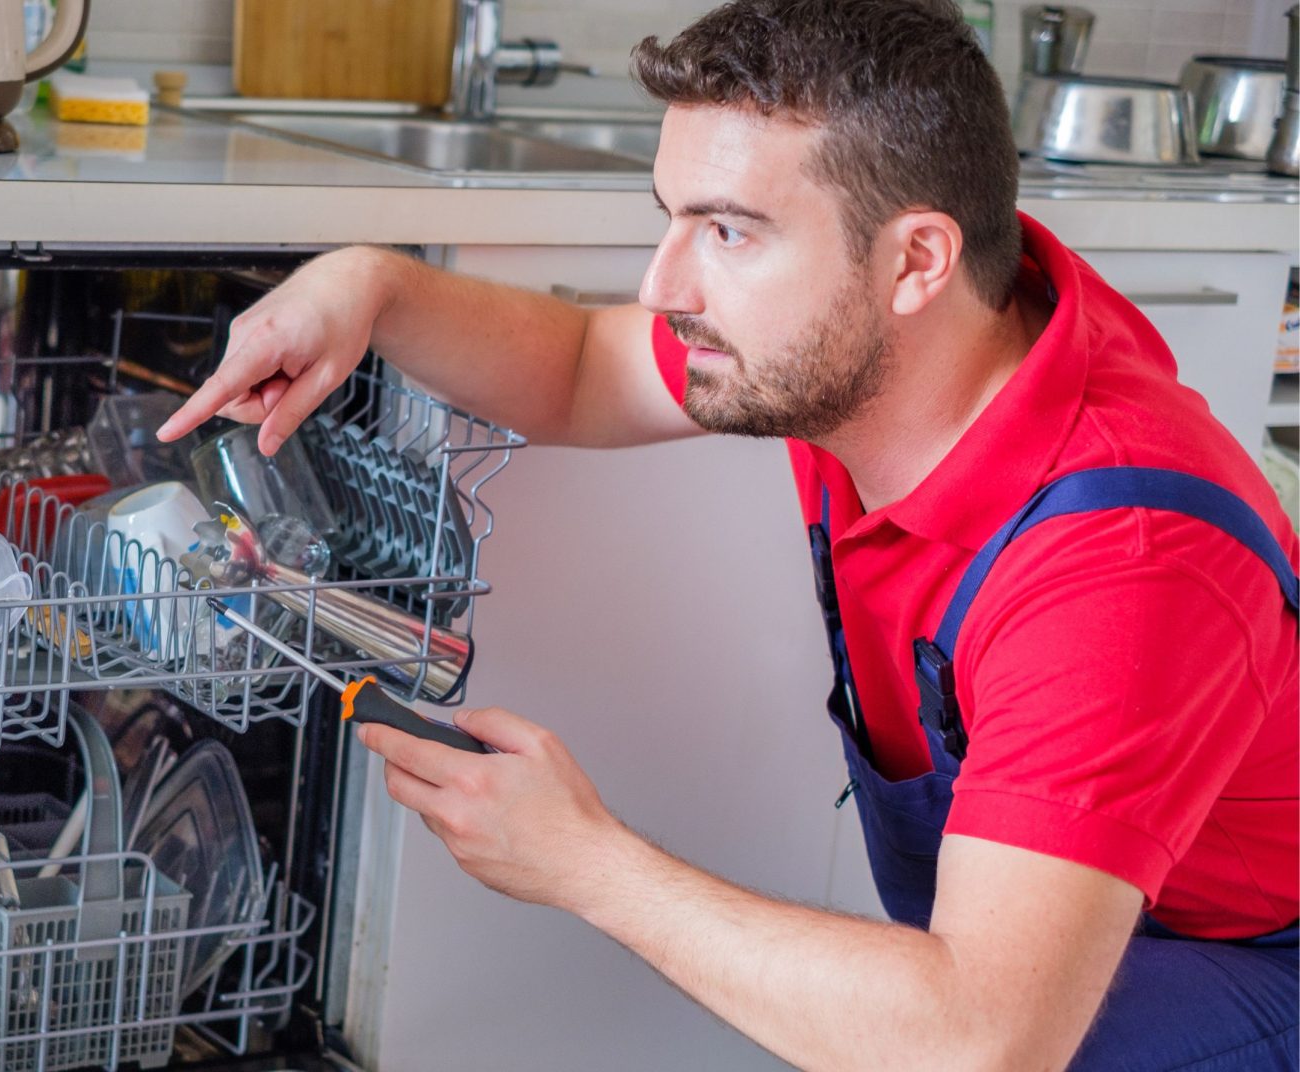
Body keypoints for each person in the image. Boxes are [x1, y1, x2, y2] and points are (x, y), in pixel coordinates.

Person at [158, 1, 1298, 1068]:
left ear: (915, 260)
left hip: (1252, 970)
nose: (663, 286)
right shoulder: (875, 355)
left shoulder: (1120, 558)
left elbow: (978, 1038)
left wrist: (587, 864)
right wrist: (370, 288)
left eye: (728, 232)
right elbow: (576, 369)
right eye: (673, 219)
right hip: (1080, 939)